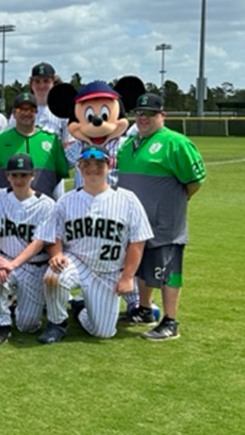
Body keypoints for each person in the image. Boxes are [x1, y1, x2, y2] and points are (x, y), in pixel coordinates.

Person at [38, 146, 153, 344]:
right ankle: (57, 322)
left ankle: (81, 307)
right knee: (53, 276)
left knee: (103, 332)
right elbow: (53, 233)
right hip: (77, 261)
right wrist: (56, 253)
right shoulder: (67, 200)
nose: (92, 168)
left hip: (109, 271)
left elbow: (137, 241)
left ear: (109, 166)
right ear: (79, 167)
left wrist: (127, 278)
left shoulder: (127, 199)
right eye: (86, 164)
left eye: (99, 164)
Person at [117, 94, 206, 341]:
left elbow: (194, 181)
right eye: (140, 113)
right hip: (136, 223)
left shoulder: (176, 143)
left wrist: (172, 202)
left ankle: (170, 321)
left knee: (169, 269)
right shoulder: (129, 143)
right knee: (143, 268)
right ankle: (145, 310)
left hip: (165, 221)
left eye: (150, 113)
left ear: (162, 115)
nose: (143, 118)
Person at [0, 153, 56, 344]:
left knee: (27, 325)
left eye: (24, 175)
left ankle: (21, 303)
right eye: (14, 175)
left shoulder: (47, 204)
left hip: (33, 266)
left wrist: (12, 265)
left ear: (33, 175)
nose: (19, 179)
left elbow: (39, 242)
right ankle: (2, 324)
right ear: (7, 176)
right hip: (5, 257)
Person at [0, 92, 69, 198]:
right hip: (7, 207)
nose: (26, 113)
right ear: (14, 113)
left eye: (31, 110)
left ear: (36, 113)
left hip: (42, 206)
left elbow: (60, 173)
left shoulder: (52, 140)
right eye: (21, 110)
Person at [8, 62, 73, 199]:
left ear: (53, 82)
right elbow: (11, 139)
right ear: (31, 84)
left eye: (46, 81)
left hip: (51, 172)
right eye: (37, 81)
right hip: (23, 171)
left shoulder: (62, 111)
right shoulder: (21, 109)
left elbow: (69, 147)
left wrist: (58, 167)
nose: (41, 85)